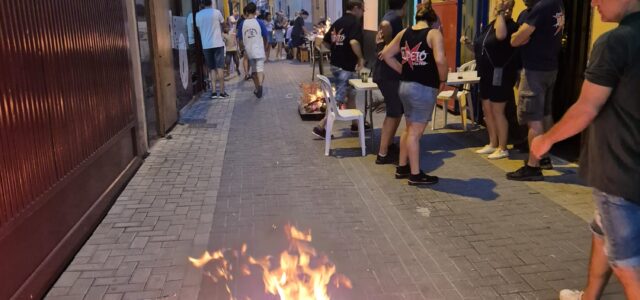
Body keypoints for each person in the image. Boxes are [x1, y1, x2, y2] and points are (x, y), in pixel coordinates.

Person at [531, 1, 640, 298]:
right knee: (602, 232)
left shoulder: (616, 42)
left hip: (620, 172)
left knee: (627, 265)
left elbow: (587, 107)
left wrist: (546, 140)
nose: (593, 3)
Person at [381, 2, 448, 185]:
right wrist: (443, 79)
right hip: (423, 88)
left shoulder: (404, 33)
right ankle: (415, 174)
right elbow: (440, 60)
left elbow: (386, 54)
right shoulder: (434, 34)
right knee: (415, 133)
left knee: (409, 129)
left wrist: (402, 70)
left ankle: (402, 167)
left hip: (405, 87)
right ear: (433, 22)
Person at [506, 0, 564, 181]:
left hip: (534, 72)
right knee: (545, 113)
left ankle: (533, 166)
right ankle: (544, 157)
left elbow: (516, 40)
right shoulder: (557, 4)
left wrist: (518, 35)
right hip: (550, 68)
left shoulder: (541, 7)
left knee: (533, 119)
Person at [311, 1, 368, 139]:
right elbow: (354, 42)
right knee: (339, 98)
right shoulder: (354, 23)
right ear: (356, 8)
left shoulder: (338, 22)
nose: (363, 12)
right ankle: (321, 126)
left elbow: (324, 42)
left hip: (336, 64)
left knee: (351, 93)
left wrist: (337, 50)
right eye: (362, 9)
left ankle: (356, 125)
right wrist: (360, 58)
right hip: (345, 67)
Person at [471, 0, 520, 160]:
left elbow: (501, 36)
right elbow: (482, 45)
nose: (506, 11)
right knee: (487, 110)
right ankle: (492, 143)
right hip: (486, 74)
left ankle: (503, 147)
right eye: (503, 7)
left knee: (498, 111)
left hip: (501, 75)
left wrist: (500, 13)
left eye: (509, 8)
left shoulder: (511, 26)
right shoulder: (490, 25)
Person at [372, 0, 407, 165]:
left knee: (397, 110)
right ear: (404, 5)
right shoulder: (392, 18)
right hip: (388, 74)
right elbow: (384, 25)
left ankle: (389, 145)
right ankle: (383, 153)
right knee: (393, 112)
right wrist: (385, 45)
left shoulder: (390, 16)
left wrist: (383, 45)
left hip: (388, 73)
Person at [195, 0, 228, 99]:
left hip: (206, 45)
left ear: (202, 4)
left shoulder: (198, 15)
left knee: (212, 68)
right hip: (218, 43)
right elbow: (224, 25)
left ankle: (213, 92)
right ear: (211, 3)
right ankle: (222, 92)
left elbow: (200, 30)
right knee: (220, 68)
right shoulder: (217, 12)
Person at [238, 3, 269, 98]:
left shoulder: (242, 24)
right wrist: (265, 46)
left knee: (254, 71)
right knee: (260, 70)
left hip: (249, 51)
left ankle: (257, 88)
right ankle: (260, 86)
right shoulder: (260, 22)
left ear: (246, 12)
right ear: (255, 12)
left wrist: (242, 49)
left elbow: (240, 39)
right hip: (259, 49)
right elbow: (265, 36)